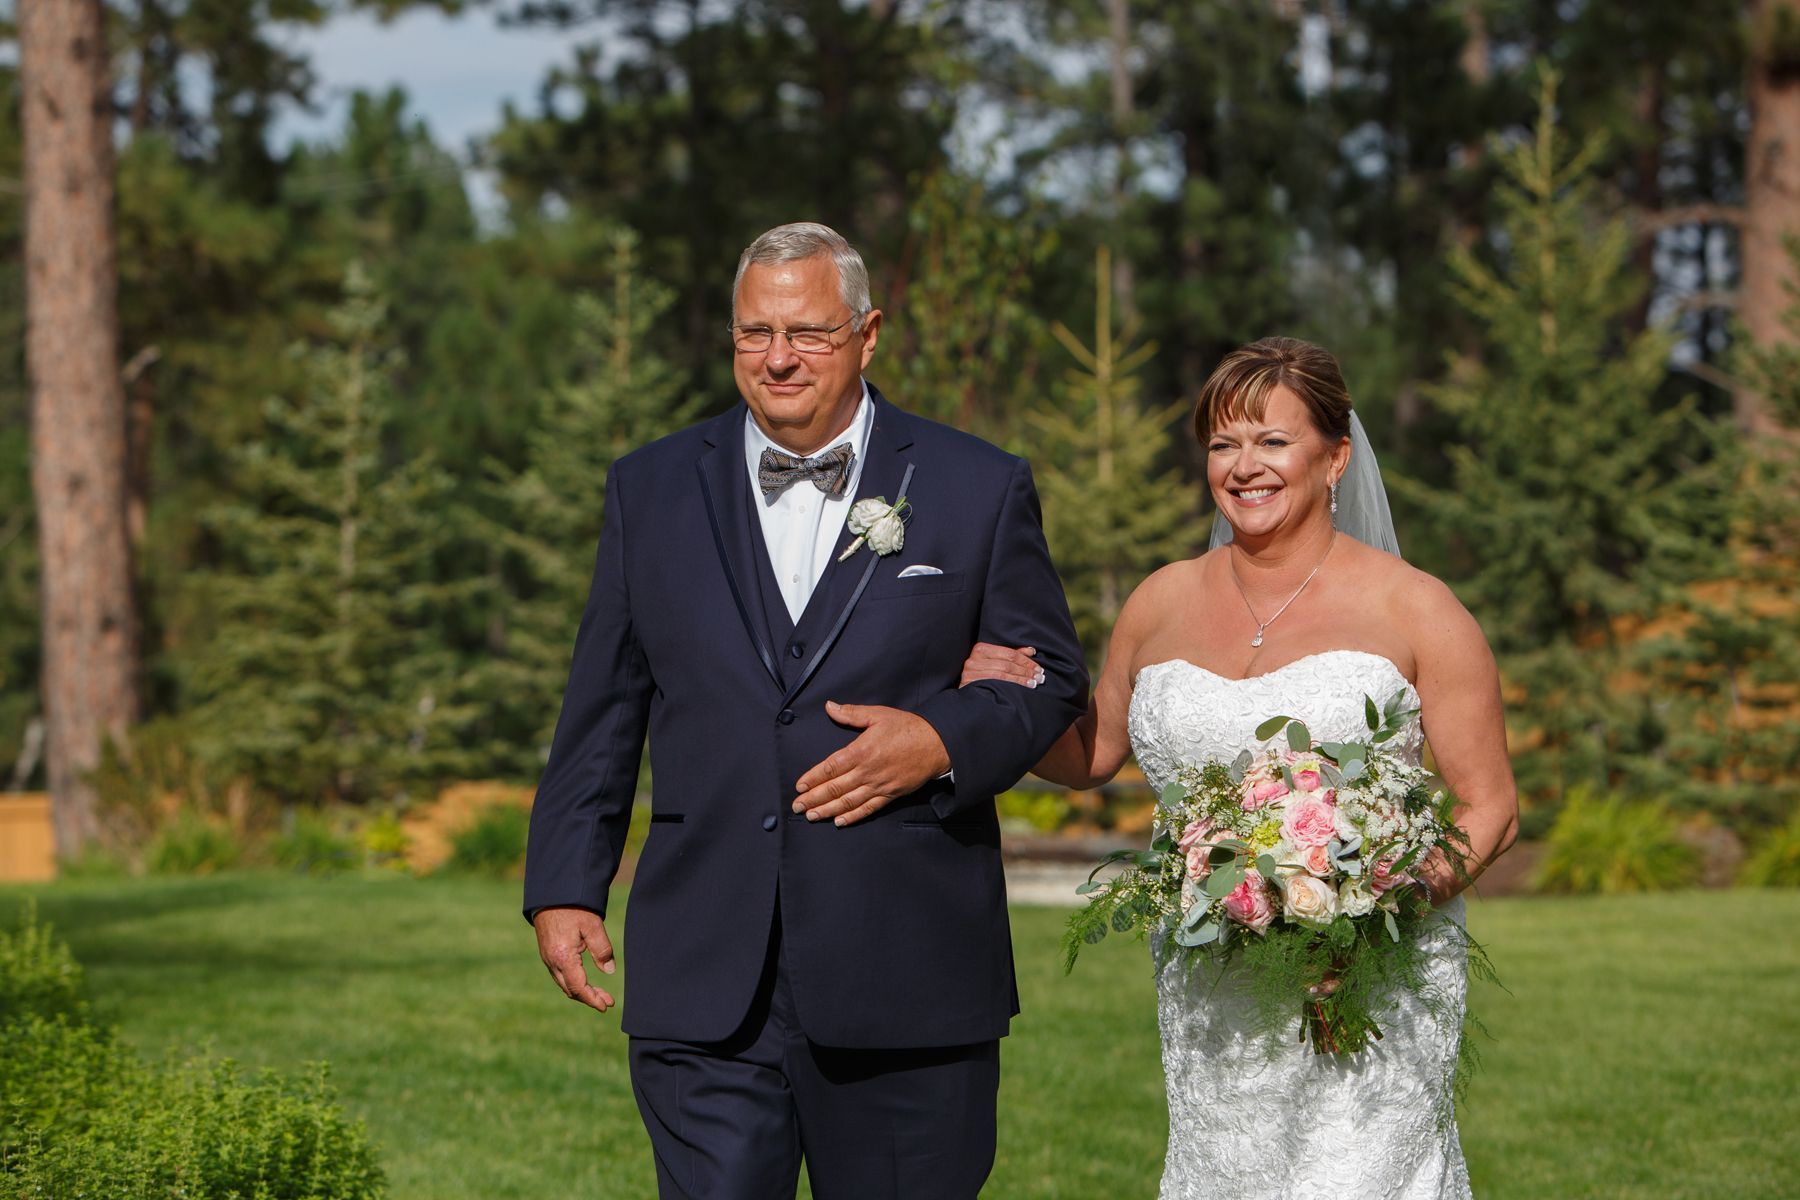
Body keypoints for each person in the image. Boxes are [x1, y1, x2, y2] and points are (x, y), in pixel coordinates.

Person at [523, 221, 1086, 1200]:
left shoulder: (976, 485)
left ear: (868, 336)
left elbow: (1050, 679)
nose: (778, 357)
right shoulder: (649, 488)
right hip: (703, 975)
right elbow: (604, 706)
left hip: (907, 971)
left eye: (809, 333)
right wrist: (566, 884)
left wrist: (940, 740)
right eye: (755, 332)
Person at [963, 336, 1518, 1199]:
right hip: (1211, 989)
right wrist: (1011, 693)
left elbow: (1491, 808)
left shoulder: (1416, 607)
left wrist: (1372, 913)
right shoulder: (1161, 600)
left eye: (1272, 441)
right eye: (1223, 444)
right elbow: (1089, 754)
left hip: (1366, 983)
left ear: (1335, 458)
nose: (1244, 466)